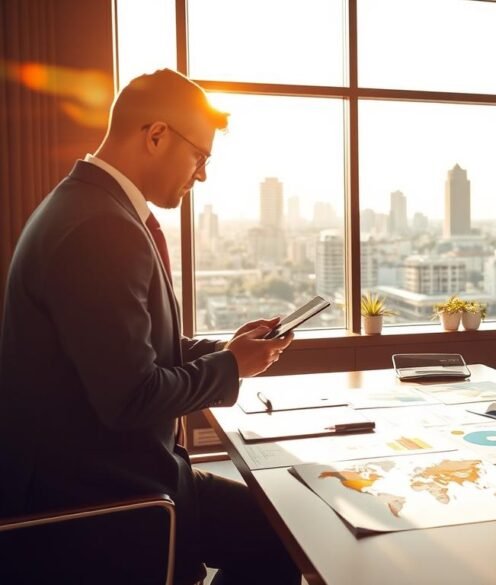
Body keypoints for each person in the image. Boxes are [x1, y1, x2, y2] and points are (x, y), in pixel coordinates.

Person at [0, 70, 299, 584]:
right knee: (281, 536)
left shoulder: (89, 205)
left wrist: (227, 350)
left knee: (276, 526)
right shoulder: (100, 227)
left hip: (110, 473)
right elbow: (131, 397)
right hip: (102, 500)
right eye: (199, 156)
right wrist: (230, 367)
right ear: (156, 135)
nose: (202, 175)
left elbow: (130, 347)